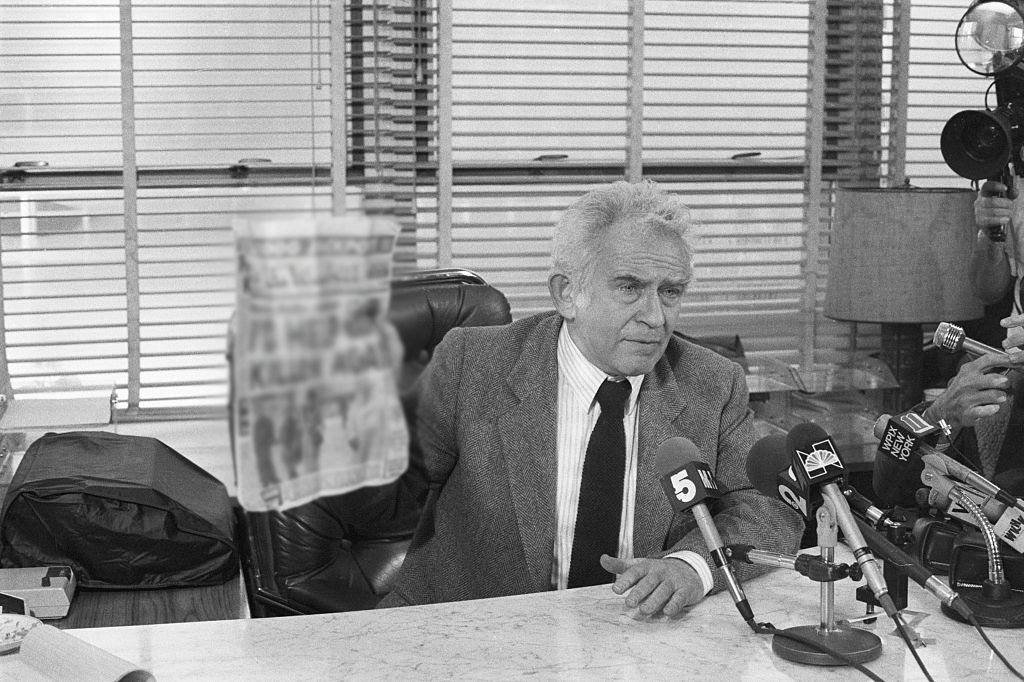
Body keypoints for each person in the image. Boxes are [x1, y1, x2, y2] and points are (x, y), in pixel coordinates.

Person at [377, 180, 804, 616]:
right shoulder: (474, 365)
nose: (656, 317)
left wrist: (692, 566)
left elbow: (768, 507)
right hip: (469, 629)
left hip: (635, 633)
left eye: (671, 291)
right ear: (567, 294)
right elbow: (379, 491)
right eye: (628, 287)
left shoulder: (712, 383)